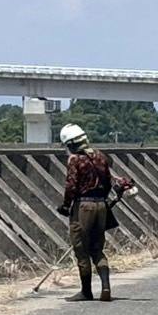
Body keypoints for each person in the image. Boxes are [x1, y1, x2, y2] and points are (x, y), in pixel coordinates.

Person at [56, 123, 134, 302]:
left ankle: (86, 291)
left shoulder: (75, 159)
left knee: (81, 249)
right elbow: (107, 183)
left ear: (71, 144)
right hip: (101, 205)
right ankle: (106, 287)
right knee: (97, 249)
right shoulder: (100, 156)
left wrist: (66, 206)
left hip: (83, 206)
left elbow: (71, 185)